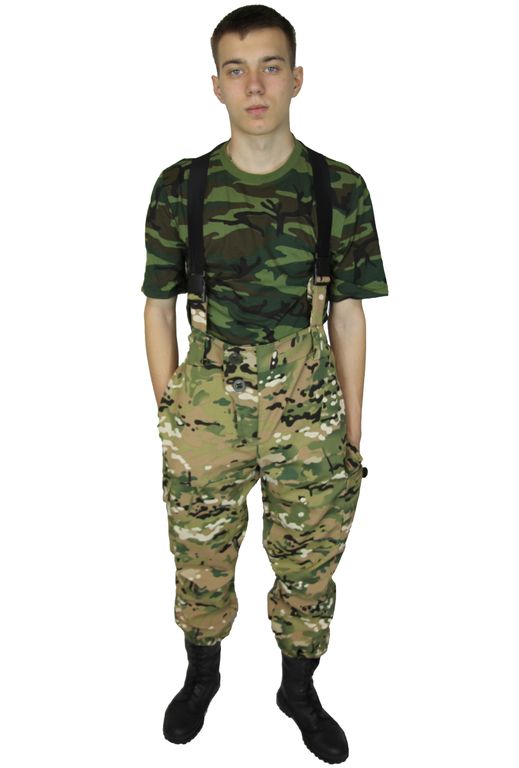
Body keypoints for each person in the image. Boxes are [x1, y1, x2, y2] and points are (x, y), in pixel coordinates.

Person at [141, 4, 388, 763]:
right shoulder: (180, 186)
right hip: (206, 400)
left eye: (271, 67)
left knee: (309, 555)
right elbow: (156, 306)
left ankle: (298, 688)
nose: (255, 85)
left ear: (297, 78)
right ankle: (202, 675)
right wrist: (172, 411)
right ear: (216, 84)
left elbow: (347, 312)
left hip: (308, 399)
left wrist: (352, 428)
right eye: (237, 69)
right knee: (200, 551)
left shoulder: (337, 186)